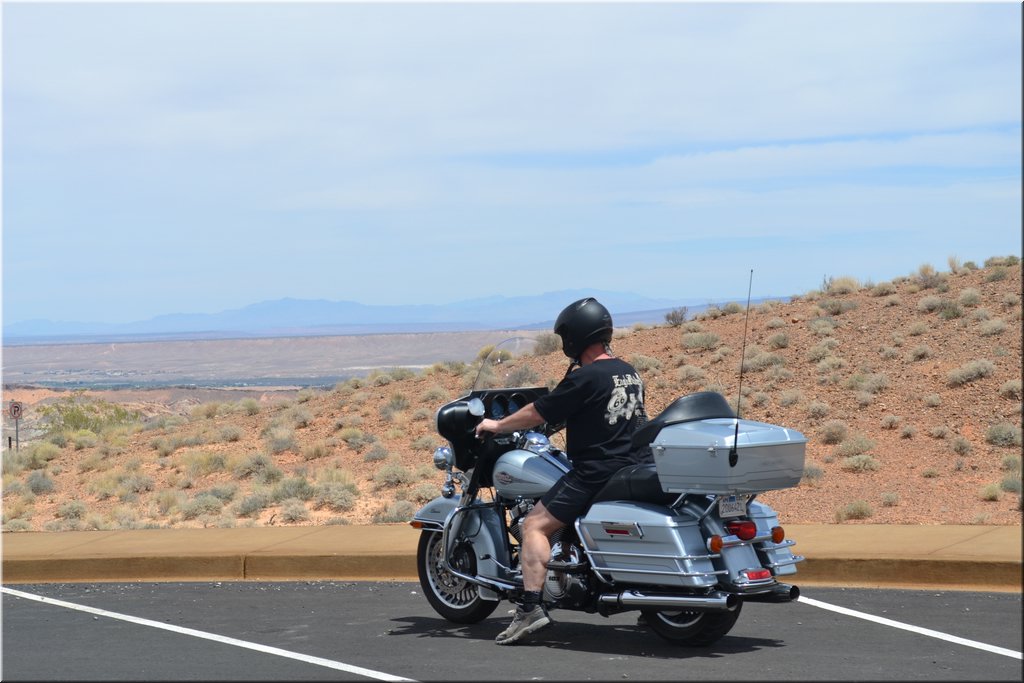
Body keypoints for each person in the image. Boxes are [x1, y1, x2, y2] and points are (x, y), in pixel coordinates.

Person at [474, 297, 650, 646]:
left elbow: (538, 412)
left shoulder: (585, 377)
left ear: (575, 337)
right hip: (633, 464)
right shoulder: (628, 371)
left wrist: (498, 424)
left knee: (534, 525)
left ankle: (530, 610)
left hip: (596, 471)